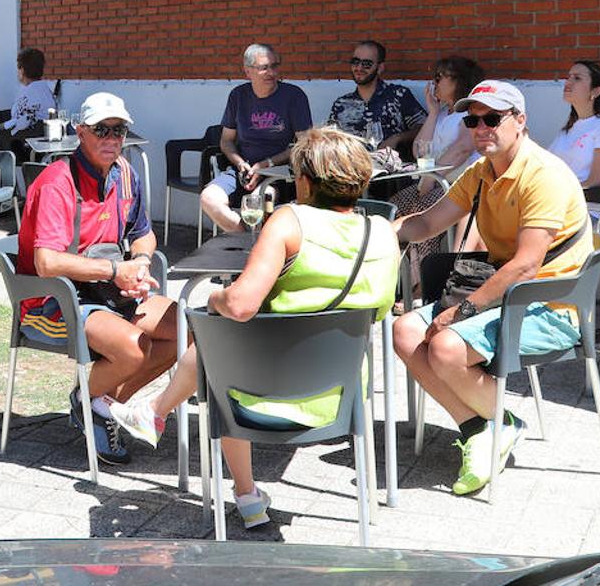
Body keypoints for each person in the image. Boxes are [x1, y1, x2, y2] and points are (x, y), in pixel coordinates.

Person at [108, 127, 399, 528]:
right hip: (339, 392)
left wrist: (214, 299)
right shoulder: (383, 231)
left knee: (220, 338)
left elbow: (242, 305)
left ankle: (242, 491)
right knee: (223, 344)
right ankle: (155, 415)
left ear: (303, 179)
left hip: (263, 392)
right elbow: (381, 309)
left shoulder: (290, 221)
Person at [392, 80, 592, 497]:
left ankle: (498, 423)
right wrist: (378, 233)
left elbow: (526, 264)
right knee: (405, 331)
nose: (481, 127)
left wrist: (461, 311)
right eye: (472, 119)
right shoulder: (481, 172)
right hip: (503, 292)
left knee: (445, 346)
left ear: (520, 120)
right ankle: (483, 427)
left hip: (550, 305)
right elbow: (428, 223)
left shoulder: (543, 175)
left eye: (492, 118)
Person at [17, 92, 177, 465]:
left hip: (109, 290)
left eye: (119, 130)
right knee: (137, 347)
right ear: (80, 132)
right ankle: (91, 404)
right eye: (101, 130)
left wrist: (139, 262)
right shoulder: (58, 182)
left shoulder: (125, 174)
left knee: (187, 332)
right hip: (53, 299)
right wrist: (115, 271)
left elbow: (143, 233)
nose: (111, 139)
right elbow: (47, 262)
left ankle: (98, 405)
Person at [200, 43, 312, 232]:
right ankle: (246, 240)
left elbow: (305, 144)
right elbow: (226, 141)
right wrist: (240, 164)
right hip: (243, 170)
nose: (271, 72)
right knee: (208, 199)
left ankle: (259, 249)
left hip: (279, 172)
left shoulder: (293, 96)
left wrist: (265, 164)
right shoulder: (238, 96)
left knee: (261, 201)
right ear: (248, 72)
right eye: (264, 68)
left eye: (275, 66)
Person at [391, 55, 486, 263]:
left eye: (439, 77)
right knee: (394, 207)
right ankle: (403, 275)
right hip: (433, 183)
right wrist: (433, 113)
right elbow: (419, 150)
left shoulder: (468, 115)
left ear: (459, 80)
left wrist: (431, 178)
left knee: (421, 214)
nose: (434, 83)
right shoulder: (443, 114)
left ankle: (421, 282)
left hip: (455, 186)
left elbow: (462, 149)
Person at [327, 40, 426, 151]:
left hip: (390, 165)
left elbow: (424, 127)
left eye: (367, 64)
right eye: (355, 62)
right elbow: (329, 139)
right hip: (352, 166)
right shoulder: (341, 104)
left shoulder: (398, 96)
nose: (359, 68)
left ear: (380, 68)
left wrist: (397, 138)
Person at [547, 60, 600, 189]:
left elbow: (595, 183)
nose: (567, 82)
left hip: (582, 203)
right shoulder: (567, 130)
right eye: (569, 77)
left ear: (595, 92)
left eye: (577, 78)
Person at [0, 47, 54, 138]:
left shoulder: (31, 92)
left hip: (26, 141)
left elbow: (22, 122)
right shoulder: (42, 88)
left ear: (22, 70)